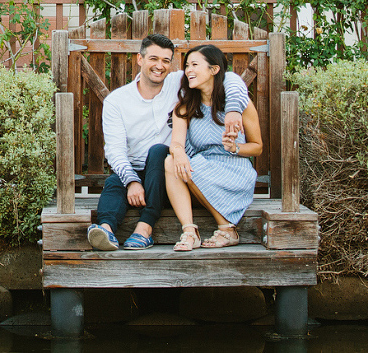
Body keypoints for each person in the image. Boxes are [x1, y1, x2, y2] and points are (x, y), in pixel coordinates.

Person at [86, 33, 252, 251]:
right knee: (115, 183)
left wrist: (233, 110)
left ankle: (144, 230)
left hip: (167, 171)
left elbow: (228, 78)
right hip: (135, 169)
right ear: (140, 59)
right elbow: (115, 151)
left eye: (166, 60)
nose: (160, 66)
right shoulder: (117, 100)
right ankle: (105, 230)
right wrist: (132, 182)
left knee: (158, 152)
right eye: (153, 59)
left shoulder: (179, 83)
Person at [164, 43, 263, 250]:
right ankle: (190, 232)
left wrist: (236, 147)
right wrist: (179, 152)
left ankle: (227, 229)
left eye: (195, 65)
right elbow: (176, 143)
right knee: (170, 160)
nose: (188, 70)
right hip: (199, 174)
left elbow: (257, 147)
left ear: (214, 69)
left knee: (192, 165)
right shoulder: (184, 107)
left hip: (235, 171)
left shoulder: (238, 104)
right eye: (187, 65)